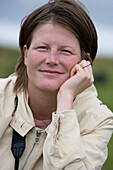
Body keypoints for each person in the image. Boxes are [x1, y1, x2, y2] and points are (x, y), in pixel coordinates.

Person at [0, 0, 113, 169]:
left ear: (84, 62)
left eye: (65, 51)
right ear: (25, 54)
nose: (51, 60)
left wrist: (66, 99)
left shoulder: (98, 120)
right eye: (42, 48)